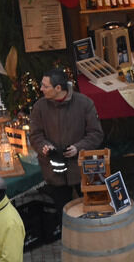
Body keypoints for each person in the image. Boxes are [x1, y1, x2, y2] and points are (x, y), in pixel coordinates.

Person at [29, 68, 104, 214]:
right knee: (63, 213)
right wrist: (44, 146)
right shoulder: (39, 107)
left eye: (45, 86)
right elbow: (35, 135)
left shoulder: (84, 103)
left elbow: (96, 134)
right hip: (55, 171)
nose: (41, 88)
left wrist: (78, 148)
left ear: (58, 88)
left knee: (91, 211)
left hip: (82, 170)